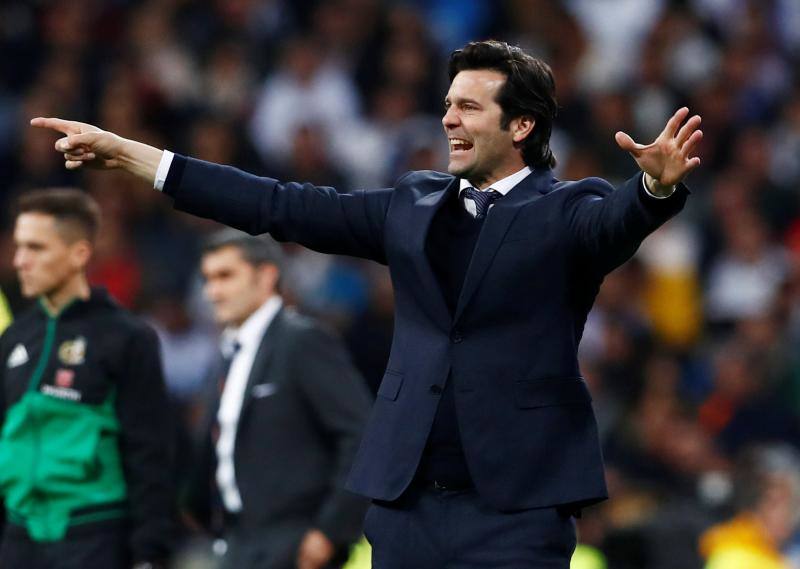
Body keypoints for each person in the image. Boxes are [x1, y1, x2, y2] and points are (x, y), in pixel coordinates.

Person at [32, 39, 702, 568]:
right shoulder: (412, 204)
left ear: (522, 123)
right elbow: (280, 205)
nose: (448, 119)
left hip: (515, 513)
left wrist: (655, 190)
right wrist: (140, 160)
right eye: (448, 104)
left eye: (469, 107)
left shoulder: (567, 210)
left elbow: (616, 222)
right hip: (404, 510)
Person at [0, 189, 174, 568]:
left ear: (78, 254)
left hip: (94, 533)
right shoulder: (14, 338)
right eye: (19, 247)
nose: (20, 261)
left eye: (35, 248)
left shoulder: (127, 338)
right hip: (19, 535)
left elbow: (151, 453)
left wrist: (150, 553)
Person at [186, 229, 371, 569]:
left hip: (296, 543)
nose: (212, 292)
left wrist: (330, 531)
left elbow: (360, 435)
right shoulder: (226, 354)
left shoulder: (301, 340)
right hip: (237, 544)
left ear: (266, 276)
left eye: (226, 276)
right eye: (207, 279)